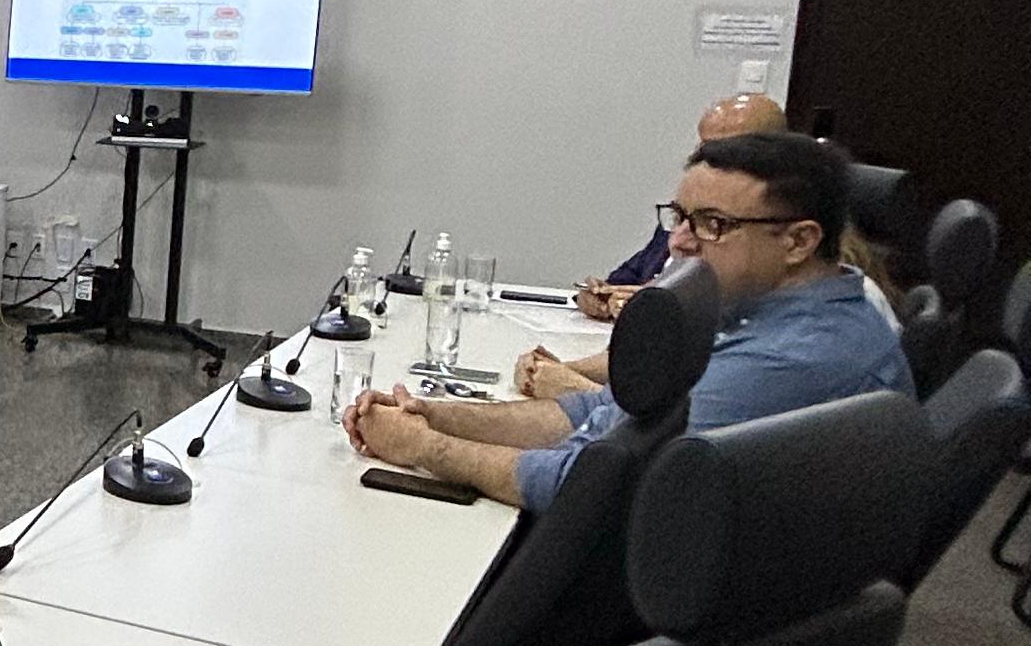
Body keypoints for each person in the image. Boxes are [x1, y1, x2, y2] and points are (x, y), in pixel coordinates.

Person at [349, 128, 912, 513]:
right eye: (681, 216)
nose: (681, 241)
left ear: (798, 241)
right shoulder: (759, 311)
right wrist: (439, 416)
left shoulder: (794, 359)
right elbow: (605, 410)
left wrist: (425, 449)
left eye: (712, 223)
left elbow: (581, 479)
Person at [575, 91, 787, 317]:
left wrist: (663, 300)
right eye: (704, 146)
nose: (679, 239)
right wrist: (596, 298)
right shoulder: (687, 208)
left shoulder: (768, 227)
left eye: (712, 222)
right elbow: (614, 286)